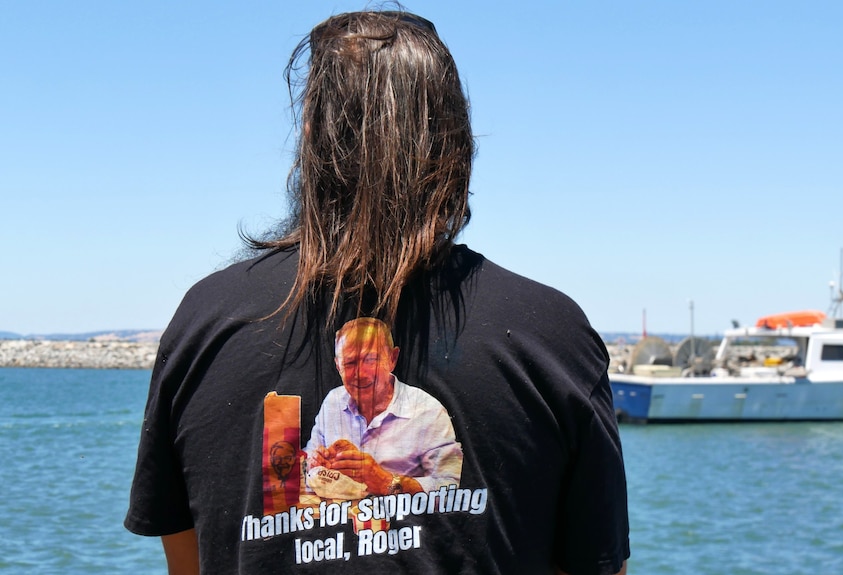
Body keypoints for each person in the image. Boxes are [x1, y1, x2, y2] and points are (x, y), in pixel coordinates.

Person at [125, 9, 629, 575]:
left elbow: (188, 561)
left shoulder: (206, 323)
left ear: (310, 139)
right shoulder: (549, 336)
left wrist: (373, 479)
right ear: (456, 142)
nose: (355, 377)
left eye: (367, 364)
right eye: (348, 366)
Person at [304, 317, 463, 496]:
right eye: (349, 363)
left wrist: (386, 481)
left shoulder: (428, 411)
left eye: (371, 359)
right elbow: (309, 456)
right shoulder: (332, 402)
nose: (360, 374)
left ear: (392, 359)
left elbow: (450, 490)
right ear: (338, 366)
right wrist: (314, 462)